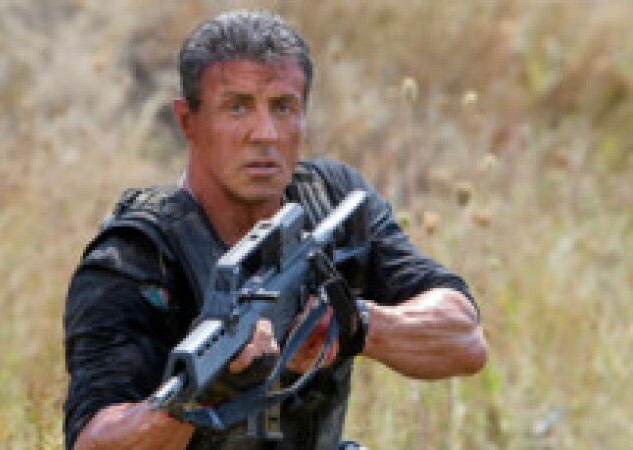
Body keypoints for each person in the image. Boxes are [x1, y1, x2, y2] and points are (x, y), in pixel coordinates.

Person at [63, 10, 487, 450]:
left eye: (283, 107)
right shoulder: (135, 257)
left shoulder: (330, 200)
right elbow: (94, 442)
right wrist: (206, 393)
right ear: (188, 121)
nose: (265, 133)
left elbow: (466, 339)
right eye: (237, 107)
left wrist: (350, 324)